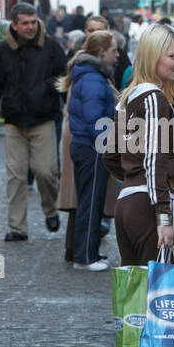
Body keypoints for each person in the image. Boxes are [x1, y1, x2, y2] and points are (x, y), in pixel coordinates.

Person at [102, 23, 174, 347]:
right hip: (150, 207)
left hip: (129, 203)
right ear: (152, 56)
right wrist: (162, 213)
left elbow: (107, 152)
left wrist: (130, 179)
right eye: (172, 55)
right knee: (149, 305)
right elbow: (155, 160)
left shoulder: (128, 97)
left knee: (135, 307)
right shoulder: (154, 98)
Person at [0, 2, 66, 241]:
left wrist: (58, 96)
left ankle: (50, 210)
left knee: (46, 171)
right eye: (24, 23)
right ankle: (17, 227)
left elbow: (64, 78)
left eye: (33, 22)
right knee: (15, 177)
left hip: (44, 119)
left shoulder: (51, 47)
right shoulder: (3, 50)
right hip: (14, 121)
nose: (30, 27)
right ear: (14, 25)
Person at [63, 30, 119, 271]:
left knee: (91, 200)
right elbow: (94, 118)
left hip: (85, 145)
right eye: (114, 50)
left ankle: (89, 251)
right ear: (102, 51)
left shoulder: (88, 76)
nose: (118, 55)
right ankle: (85, 257)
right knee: (90, 202)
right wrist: (106, 145)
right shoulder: (94, 80)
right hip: (91, 147)